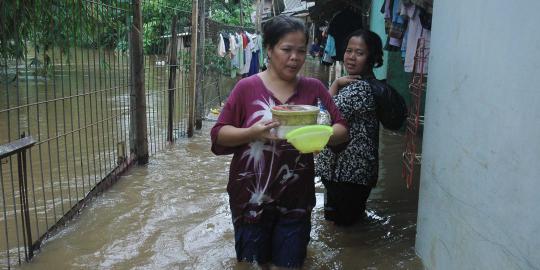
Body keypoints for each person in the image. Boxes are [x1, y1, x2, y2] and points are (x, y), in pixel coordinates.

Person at [210, 15, 348, 269]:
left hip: (296, 198)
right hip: (251, 197)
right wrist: (252, 132)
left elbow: (342, 129)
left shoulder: (314, 89)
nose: (294, 57)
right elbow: (219, 134)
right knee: (251, 265)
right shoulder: (246, 88)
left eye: (301, 51)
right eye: (286, 50)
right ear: (269, 50)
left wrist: (322, 134)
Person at [315, 29, 384, 226]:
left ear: (371, 58)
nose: (351, 57)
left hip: (348, 176)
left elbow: (322, 119)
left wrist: (334, 86)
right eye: (348, 50)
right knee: (346, 230)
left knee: (347, 232)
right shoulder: (361, 84)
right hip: (346, 175)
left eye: (359, 53)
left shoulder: (358, 89)